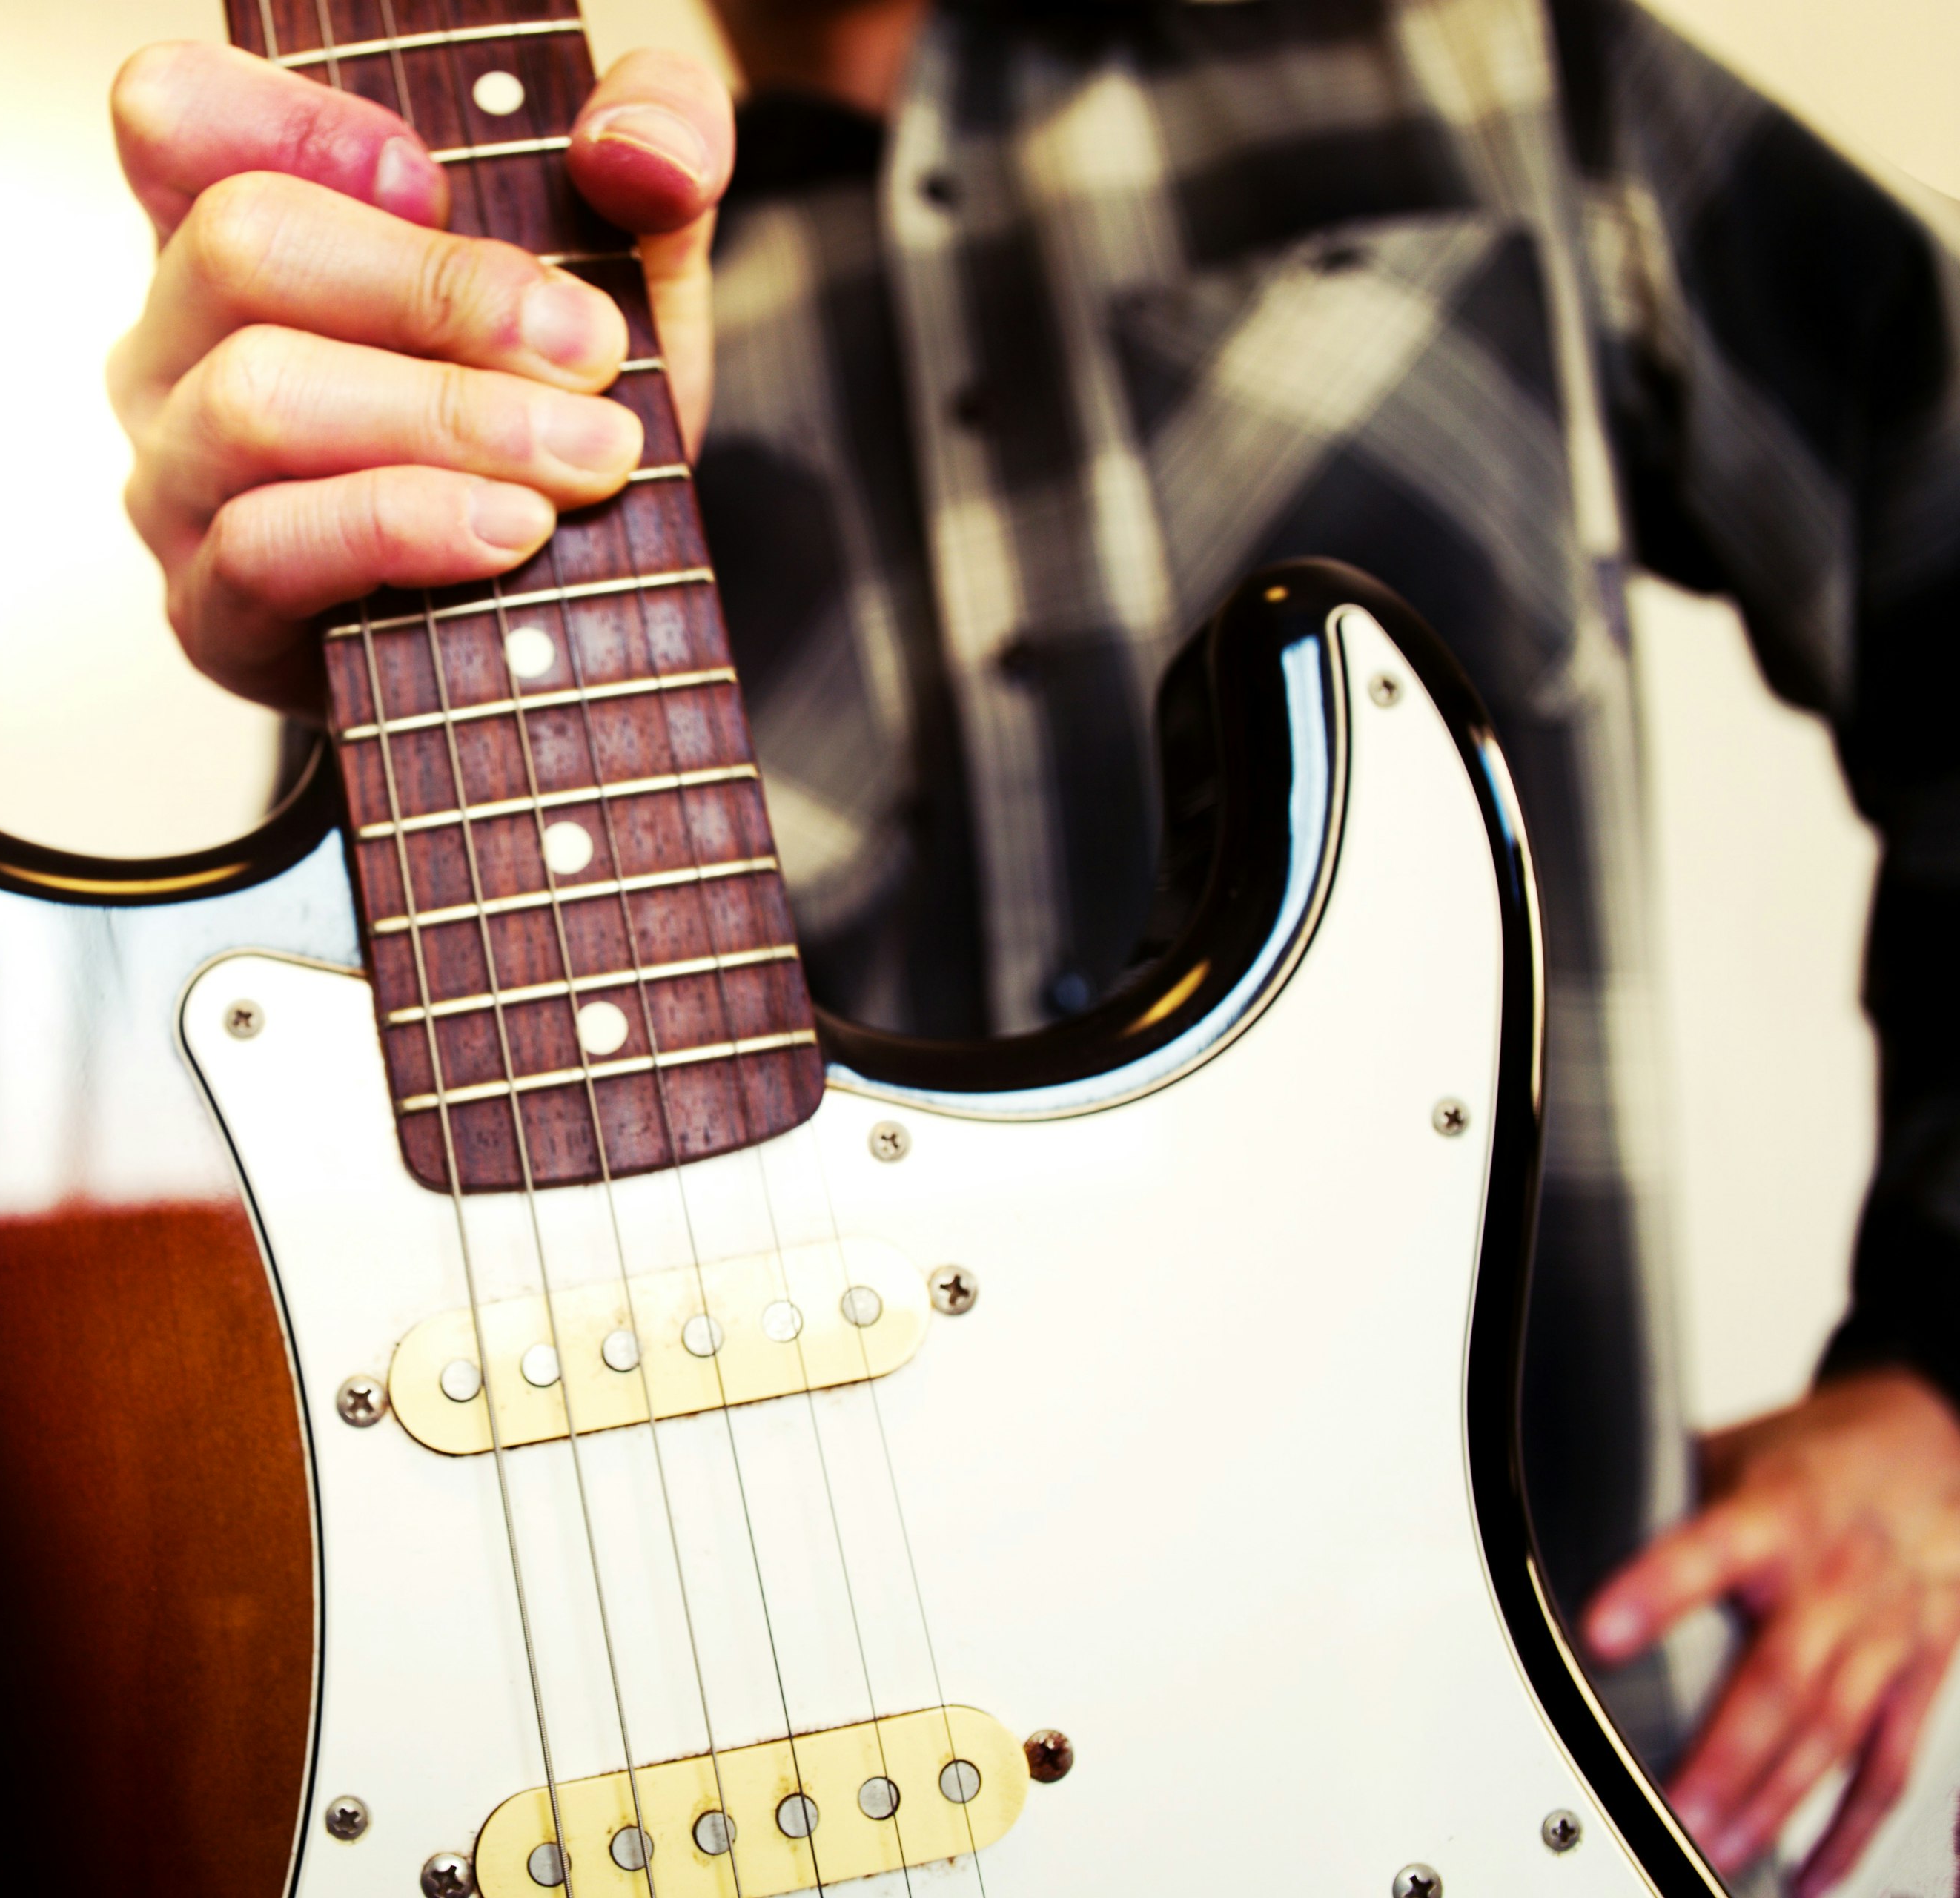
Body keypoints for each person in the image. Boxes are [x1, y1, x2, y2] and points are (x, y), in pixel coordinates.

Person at [103, 0, 1960, 1888]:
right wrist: (397, 542)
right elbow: (400, 1164)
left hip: (1517, 1773)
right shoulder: (540, 268)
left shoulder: (1505, 65)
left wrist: (1944, 1381)